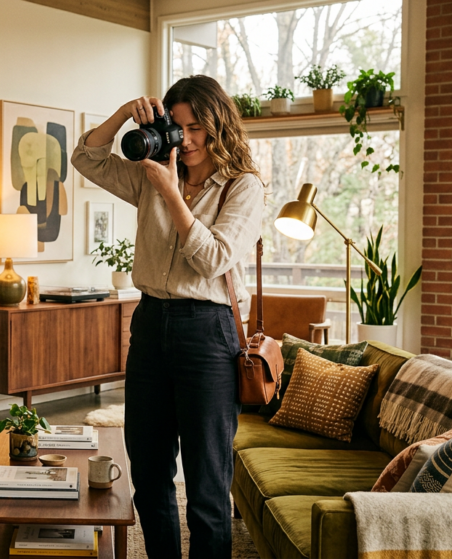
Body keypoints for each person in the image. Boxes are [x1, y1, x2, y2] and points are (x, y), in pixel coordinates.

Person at [71, 75, 264, 559]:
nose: (187, 140)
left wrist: (171, 194)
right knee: (150, 473)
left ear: (218, 125)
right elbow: (86, 158)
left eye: (197, 127)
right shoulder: (151, 173)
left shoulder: (243, 186)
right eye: (176, 128)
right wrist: (121, 115)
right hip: (151, 321)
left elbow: (215, 258)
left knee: (205, 482)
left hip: (209, 332)